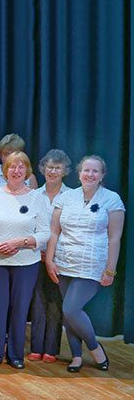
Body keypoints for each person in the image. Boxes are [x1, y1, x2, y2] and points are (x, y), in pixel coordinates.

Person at [45, 155, 124, 373]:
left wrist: (110, 269)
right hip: (64, 262)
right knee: (68, 312)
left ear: (102, 176)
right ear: (79, 173)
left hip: (92, 265)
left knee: (71, 309)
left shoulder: (112, 199)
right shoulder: (66, 198)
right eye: (86, 170)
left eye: (95, 171)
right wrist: (50, 261)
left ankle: (94, 347)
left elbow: (114, 238)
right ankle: (76, 357)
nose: (90, 174)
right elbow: (54, 231)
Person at [0, 151, 50, 369]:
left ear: (27, 171)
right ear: (5, 171)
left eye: (21, 167)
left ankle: (16, 355)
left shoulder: (38, 197)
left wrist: (21, 242)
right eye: (12, 167)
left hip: (26, 263)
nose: (16, 171)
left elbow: (45, 233)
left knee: (19, 309)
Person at [28, 149, 71, 363]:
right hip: (36, 254)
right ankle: (36, 346)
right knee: (37, 299)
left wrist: (52, 254)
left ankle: (51, 349)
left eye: (57, 167)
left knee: (55, 300)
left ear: (65, 171)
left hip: (60, 258)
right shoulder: (33, 195)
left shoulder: (72, 196)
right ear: (43, 169)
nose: (52, 171)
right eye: (49, 167)